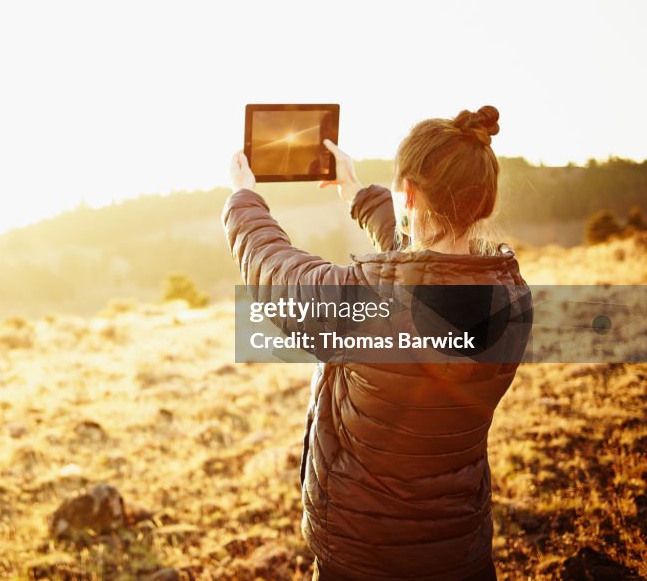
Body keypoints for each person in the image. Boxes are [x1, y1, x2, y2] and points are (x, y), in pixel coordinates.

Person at [223, 106, 532, 581]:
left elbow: (277, 273)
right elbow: (425, 262)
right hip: (460, 553)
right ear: (483, 201)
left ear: (407, 193)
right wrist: (358, 193)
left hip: (365, 559)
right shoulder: (509, 297)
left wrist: (244, 199)